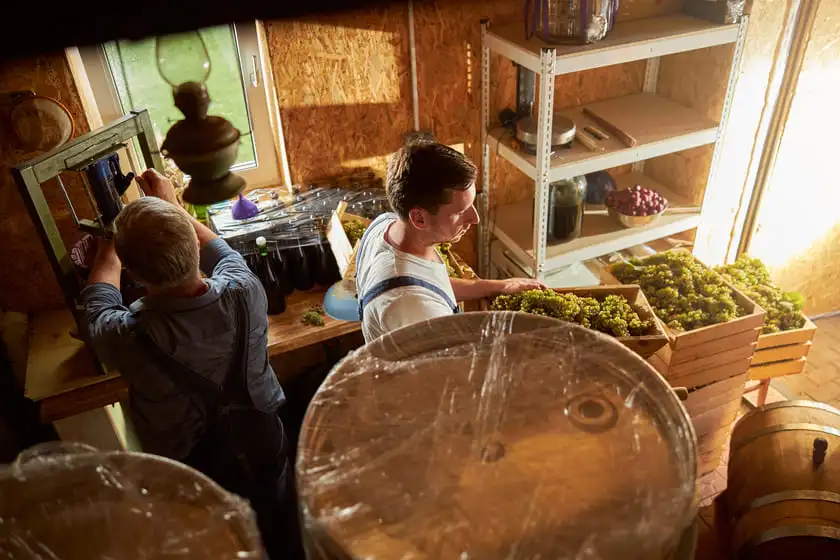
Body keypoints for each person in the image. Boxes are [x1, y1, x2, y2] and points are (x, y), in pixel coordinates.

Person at [82, 169, 302, 559]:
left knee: (219, 542)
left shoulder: (127, 335)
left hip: (194, 469)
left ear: (134, 273)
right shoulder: (244, 289)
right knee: (281, 522)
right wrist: (174, 209)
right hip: (264, 440)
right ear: (193, 248)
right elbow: (218, 248)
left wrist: (109, 247)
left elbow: (99, 301)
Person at [355, 142, 544, 342]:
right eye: (461, 211)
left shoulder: (386, 226)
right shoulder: (413, 307)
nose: (475, 218)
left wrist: (497, 286)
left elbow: (429, 285)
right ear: (419, 218)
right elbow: (452, 369)